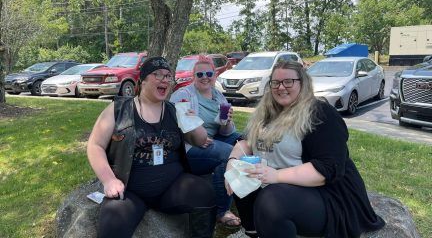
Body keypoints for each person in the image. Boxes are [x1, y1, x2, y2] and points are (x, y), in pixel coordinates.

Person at [225, 60, 385, 238]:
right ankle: (253, 232)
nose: (281, 87)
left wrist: (276, 176)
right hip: (283, 188)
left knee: (271, 200)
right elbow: (247, 141)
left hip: (326, 195)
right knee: (242, 178)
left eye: (288, 81)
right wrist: (232, 162)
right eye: (275, 82)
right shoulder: (268, 112)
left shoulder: (320, 113)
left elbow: (328, 168)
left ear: (303, 82)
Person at [87, 56, 216, 238]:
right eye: (158, 75)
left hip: (172, 188)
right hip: (130, 190)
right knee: (112, 222)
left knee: (205, 193)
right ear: (143, 80)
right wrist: (109, 180)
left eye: (168, 76)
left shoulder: (175, 110)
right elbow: (95, 145)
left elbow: (201, 140)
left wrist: (193, 121)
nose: (164, 80)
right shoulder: (119, 109)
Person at [170, 55, 242, 227]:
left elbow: (226, 132)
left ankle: (249, 193)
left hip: (214, 140)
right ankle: (222, 210)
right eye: (200, 74)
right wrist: (194, 135)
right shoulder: (183, 94)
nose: (205, 77)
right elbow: (173, 126)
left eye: (209, 73)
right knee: (227, 154)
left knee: (246, 140)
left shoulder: (219, 97)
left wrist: (227, 121)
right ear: (193, 77)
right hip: (190, 147)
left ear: (215, 75)